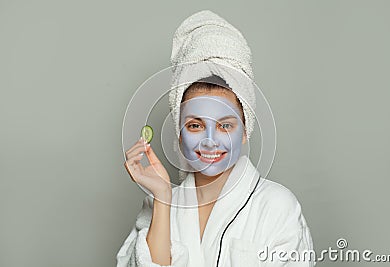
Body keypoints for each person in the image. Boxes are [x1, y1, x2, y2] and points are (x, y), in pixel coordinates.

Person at [117, 10, 314, 267]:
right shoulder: (157, 206)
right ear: (179, 134)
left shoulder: (276, 206)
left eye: (225, 125)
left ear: (245, 131)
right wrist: (163, 198)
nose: (210, 141)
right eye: (196, 125)